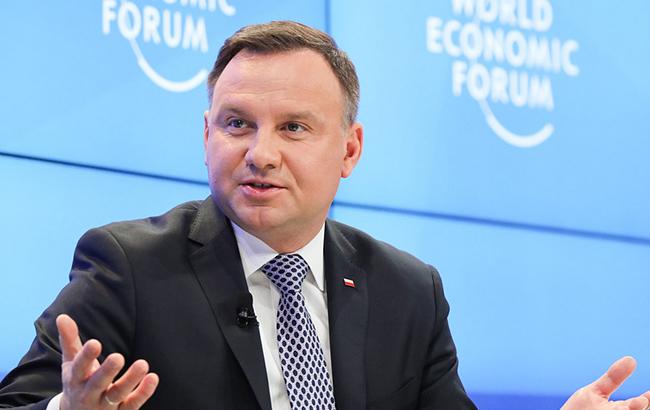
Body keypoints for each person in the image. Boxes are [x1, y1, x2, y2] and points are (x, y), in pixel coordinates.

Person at [0, 21, 648, 410]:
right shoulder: (129, 266)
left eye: (293, 127)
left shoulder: (409, 290)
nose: (261, 153)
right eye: (237, 124)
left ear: (349, 150)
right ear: (206, 135)